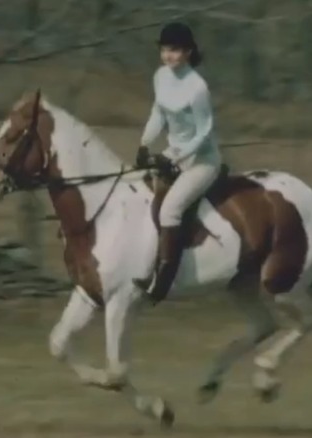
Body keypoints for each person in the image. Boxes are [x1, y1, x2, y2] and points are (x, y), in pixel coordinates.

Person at [133, 21, 223, 305]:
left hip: (202, 161)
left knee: (170, 210)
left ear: (187, 52)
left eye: (174, 50)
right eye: (164, 50)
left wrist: (177, 157)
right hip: (173, 154)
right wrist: (144, 143)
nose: (168, 56)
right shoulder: (161, 76)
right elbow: (158, 114)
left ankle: (163, 281)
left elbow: (204, 132)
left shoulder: (198, 88)